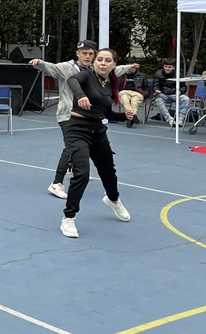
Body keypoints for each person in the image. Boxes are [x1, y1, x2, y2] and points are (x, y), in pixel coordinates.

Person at [30, 40, 135, 199]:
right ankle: (56, 183)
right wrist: (40, 63)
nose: (87, 56)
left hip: (89, 118)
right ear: (77, 53)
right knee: (70, 147)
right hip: (68, 115)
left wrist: (129, 67)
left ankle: (76, 168)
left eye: (90, 54)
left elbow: (115, 69)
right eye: (84, 53)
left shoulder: (95, 70)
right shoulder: (66, 68)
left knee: (87, 146)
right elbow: (51, 68)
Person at [61, 48, 132, 238]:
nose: (102, 63)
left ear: (114, 64)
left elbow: (106, 113)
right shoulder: (86, 76)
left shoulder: (110, 85)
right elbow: (71, 80)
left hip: (98, 131)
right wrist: (81, 96)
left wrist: (124, 116)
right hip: (77, 129)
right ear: (94, 62)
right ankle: (68, 217)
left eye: (107, 60)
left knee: (108, 171)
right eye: (99, 59)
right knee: (82, 174)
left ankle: (113, 200)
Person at [152, 58, 191, 127]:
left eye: (169, 67)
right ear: (163, 66)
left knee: (186, 99)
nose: (167, 68)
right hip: (162, 93)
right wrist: (156, 89)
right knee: (158, 100)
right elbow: (155, 85)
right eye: (166, 66)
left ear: (173, 67)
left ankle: (180, 119)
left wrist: (180, 91)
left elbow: (184, 86)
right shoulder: (158, 74)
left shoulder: (178, 74)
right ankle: (170, 119)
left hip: (174, 93)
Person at [117, 59, 149, 128]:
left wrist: (144, 95)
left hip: (138, 93)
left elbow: (147, 88)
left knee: (134, 102)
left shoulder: (142, 76)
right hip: (124, 92)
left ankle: (130, 118)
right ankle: (133, 116)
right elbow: (116, 87)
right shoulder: (120, 75)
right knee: (125, 100)